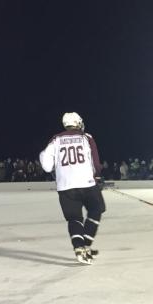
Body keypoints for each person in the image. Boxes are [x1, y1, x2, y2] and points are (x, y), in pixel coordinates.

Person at [39, 112, 106, 264]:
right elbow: (95, 162)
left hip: (65, 186)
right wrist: (97, 176)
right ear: (77, 123)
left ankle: (79, 248)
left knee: (74, 219)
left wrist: (43, 155)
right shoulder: (86, 137)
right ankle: (86, 246)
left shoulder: (55, 140)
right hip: (86, 183)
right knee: (96, 210)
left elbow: (47, 166)